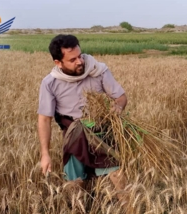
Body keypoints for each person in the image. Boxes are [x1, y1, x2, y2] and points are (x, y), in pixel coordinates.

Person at [37, 34, 127, 193]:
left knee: (118, 177)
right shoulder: (50, 83)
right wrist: (45, 154)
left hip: (102, 133)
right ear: (58, 63)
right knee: (75, 184)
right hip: (74, 135)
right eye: (72, 60)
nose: (79, 61)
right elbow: (44, 119)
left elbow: (120, 97)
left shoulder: (98, 70)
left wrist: (118, 107)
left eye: (80, 56)